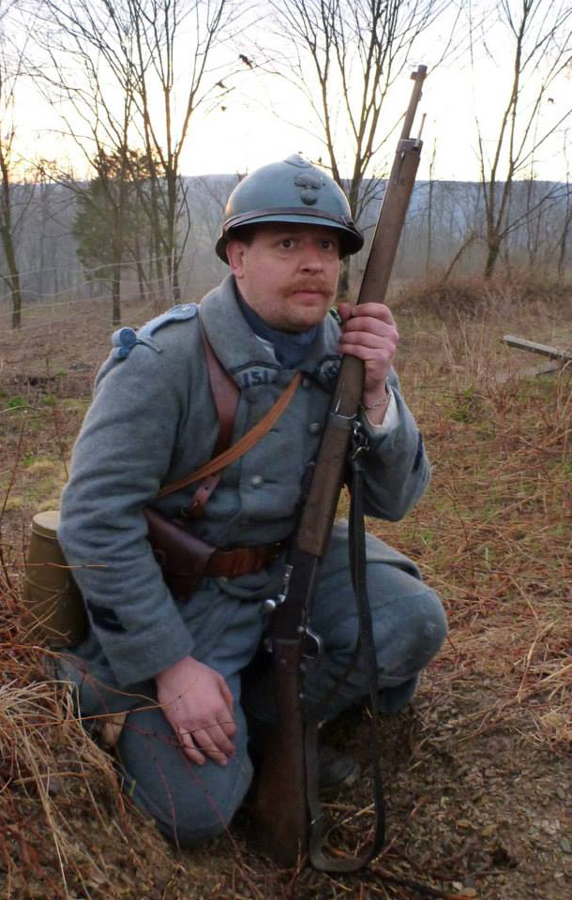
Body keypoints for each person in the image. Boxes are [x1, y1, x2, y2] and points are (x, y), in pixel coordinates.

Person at [58, 154, 447, 848]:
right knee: (196, 811)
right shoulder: (164, 360)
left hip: (295, 568)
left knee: (411, 623)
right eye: (286, 244)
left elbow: (394, 500)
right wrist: (172, 667)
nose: (312, 265)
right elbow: (94, 517)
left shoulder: (348, 349)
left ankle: (271, 722)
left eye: (326, 247)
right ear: (237, 255)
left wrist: (380, 391)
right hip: (191, 595)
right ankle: (161, 697)